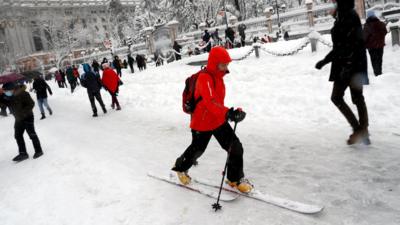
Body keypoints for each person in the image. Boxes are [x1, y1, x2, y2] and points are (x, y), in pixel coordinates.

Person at [171, 46, 253, 193]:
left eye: (227, 64)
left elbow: (217, 102)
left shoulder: (218, 77)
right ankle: (180, 168)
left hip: (217, 120)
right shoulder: (205, 78)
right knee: (197, 150)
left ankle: (234, 178)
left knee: (235, 147)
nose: (225, 67)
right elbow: (210, 101)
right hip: (201, 123)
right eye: (223, 64)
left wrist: (232, 112)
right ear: (214, 63)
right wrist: (227, 113)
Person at [315, 0, 370, 145]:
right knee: (357, 98)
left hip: (351, 64)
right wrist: (325, 61)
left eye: (334, 3)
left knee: (338, 97)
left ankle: (359, 130)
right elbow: (339, 46)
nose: (331, 5)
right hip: (349, 64)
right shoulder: (343, 16)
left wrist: (348, 65)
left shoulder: (349, 16)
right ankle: (361, 131)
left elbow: (353, 43)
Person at [0, 82, 44, 162]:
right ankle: (23, 153)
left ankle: (39, 151)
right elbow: (5, 103)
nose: (6, 92)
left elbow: (31, 104)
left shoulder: (23, 94)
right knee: (18, 135)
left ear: (12, 89)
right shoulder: (9, 96)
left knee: (32, 134)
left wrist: (23, 113)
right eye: (5, 91)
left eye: (7, 91)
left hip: (27, 117)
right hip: (18, 119)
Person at [363, 10, 388, 76]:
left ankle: (377, 73)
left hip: (371, 46)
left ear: (368, 16)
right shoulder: (381, 24)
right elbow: (385, 32)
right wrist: (379, 38)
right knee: (379, 59)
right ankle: (379, 71)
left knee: (374, 60)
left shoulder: (367, 25)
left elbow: (364, 37)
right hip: (380, 45)